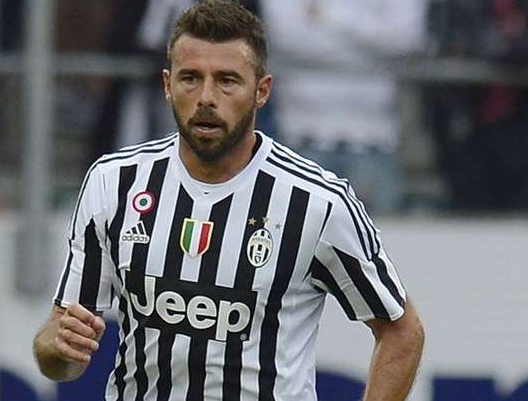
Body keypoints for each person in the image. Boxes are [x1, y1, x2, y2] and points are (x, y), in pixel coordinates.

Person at [32, 2, 424, 400]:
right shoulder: (115, 182)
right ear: (167, 84)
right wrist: (57, 346)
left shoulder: (316, 202)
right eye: (190, 78)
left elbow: (401, 331)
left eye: (227, 81)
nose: (206, 97)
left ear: (262, 91)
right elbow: (60, 351)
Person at [261, 0, 427, 214]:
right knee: (295, 231)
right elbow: (286, 38)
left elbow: (406, 38)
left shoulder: (324, 12)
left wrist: (328, 15)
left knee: (378, 234)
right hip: (302, 137)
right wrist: (371, 48)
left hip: (376, 140)